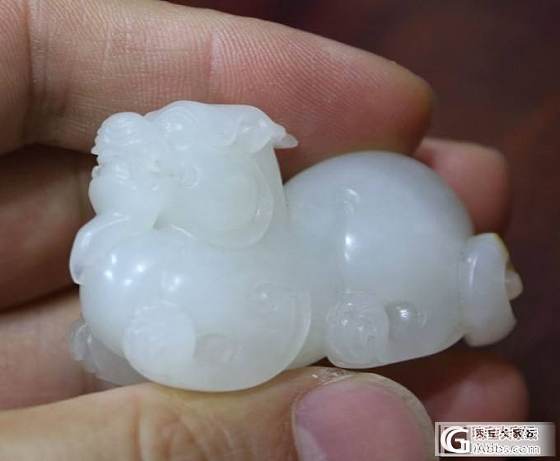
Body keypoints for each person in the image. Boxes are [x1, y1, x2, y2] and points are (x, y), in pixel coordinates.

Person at [0, 1, 527, 459]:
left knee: (492, 437)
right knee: (480, 429)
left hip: (385, 249)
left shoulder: (249, 264)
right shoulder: (141, 242)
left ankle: (518, 439)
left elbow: (241, 348)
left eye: (172, 175)